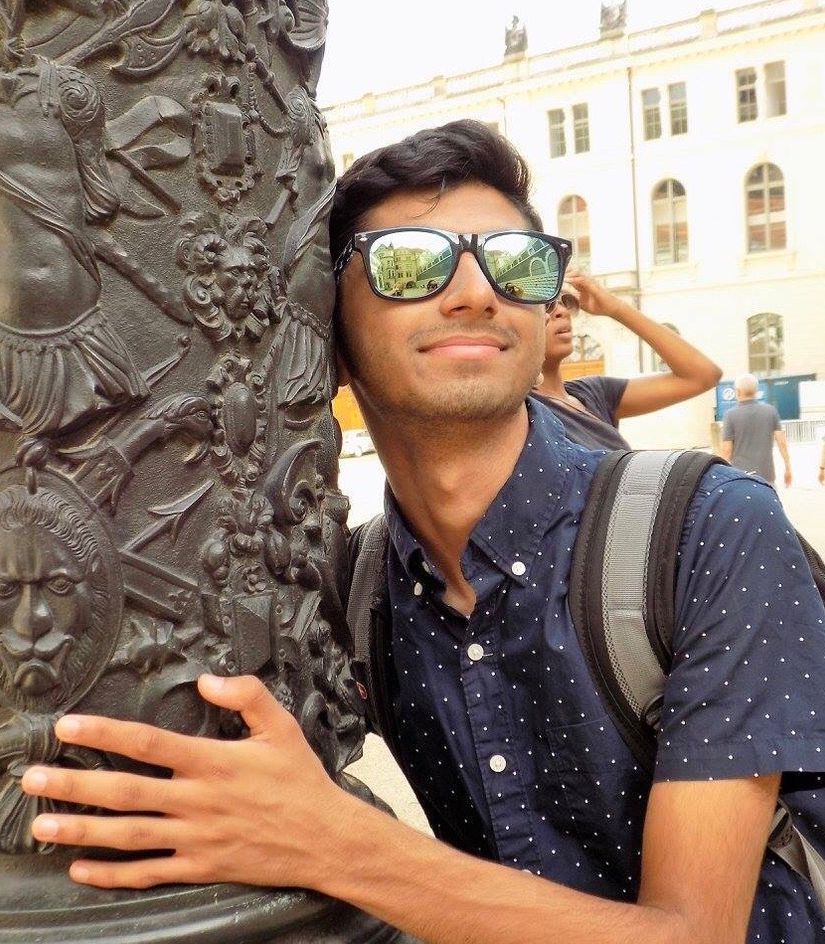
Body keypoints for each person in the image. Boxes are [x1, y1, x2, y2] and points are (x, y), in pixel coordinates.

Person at [21, 120, 825, 943]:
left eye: (516, 265)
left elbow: (695, 935)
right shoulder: (353, 588)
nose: (477, 292)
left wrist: (336, 844)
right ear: (327, 329)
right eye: (409, 263)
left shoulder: (708, 530)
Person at [535, 277, 721, 449]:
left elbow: (702, 375)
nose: (562, 311)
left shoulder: (593, 393)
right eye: (546, 305)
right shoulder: (519, 411)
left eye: (564, 301)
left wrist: (615, 308)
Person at [719, 373, 792, 486]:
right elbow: (782, 442)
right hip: (766, 477)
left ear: (737, 392)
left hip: (741, 478)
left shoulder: (730, 415)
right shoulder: (770, 411)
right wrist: (788, 468)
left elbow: (726, 451)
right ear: (756, 391)